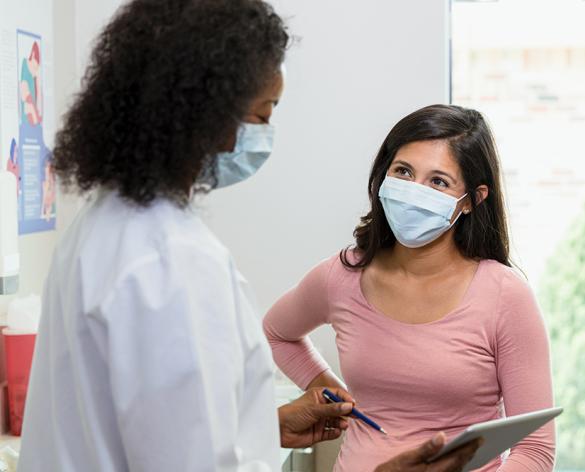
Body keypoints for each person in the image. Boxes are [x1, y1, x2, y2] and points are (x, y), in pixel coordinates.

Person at [18, 1, 478, 471]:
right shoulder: (173, 262)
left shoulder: (99, 226)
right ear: (203, 115)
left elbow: (153, 427)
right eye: (261, 115)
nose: (264, 135)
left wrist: (266, 425)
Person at [264, 104, 556, 471]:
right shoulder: (343, 276)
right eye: (403, 171)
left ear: (473, 200)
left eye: (438, 182)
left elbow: (535, 451)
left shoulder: (505, 295)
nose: (413, 192)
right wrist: (337, 398)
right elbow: (276, 333)